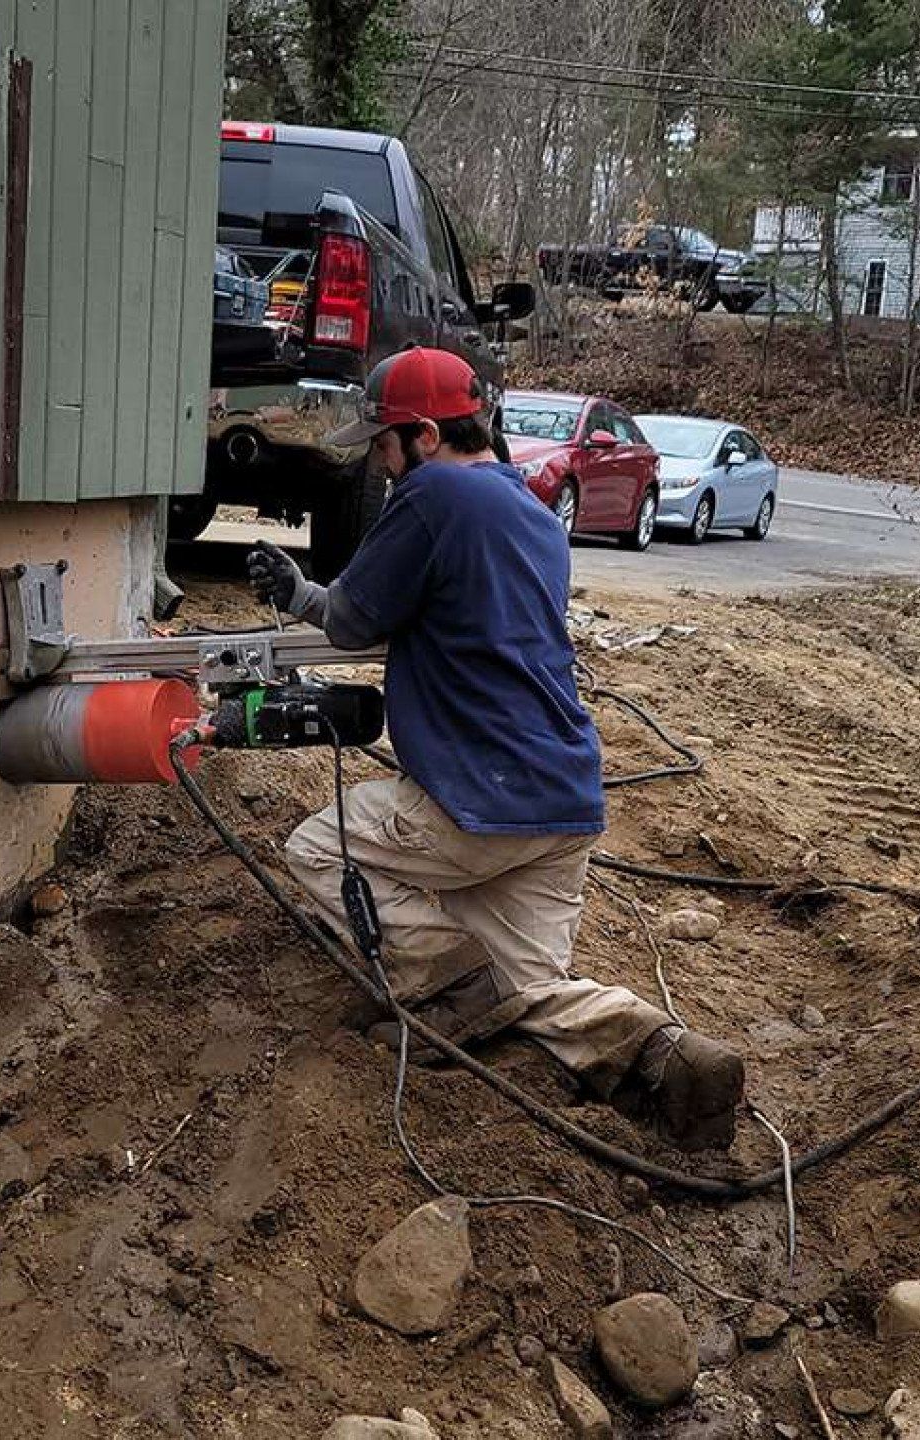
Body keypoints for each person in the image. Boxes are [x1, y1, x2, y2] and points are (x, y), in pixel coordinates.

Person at [247, 347, 744, 1151]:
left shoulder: (433, 492)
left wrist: (296, 591)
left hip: (483, 797)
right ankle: (666, 1053)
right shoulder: (534, 512)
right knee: (532, 991)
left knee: (319, 845)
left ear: (427, 435)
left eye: (384, 441)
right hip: (566, 801)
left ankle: (447, 987)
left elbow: (352, 620)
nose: (379, 459)